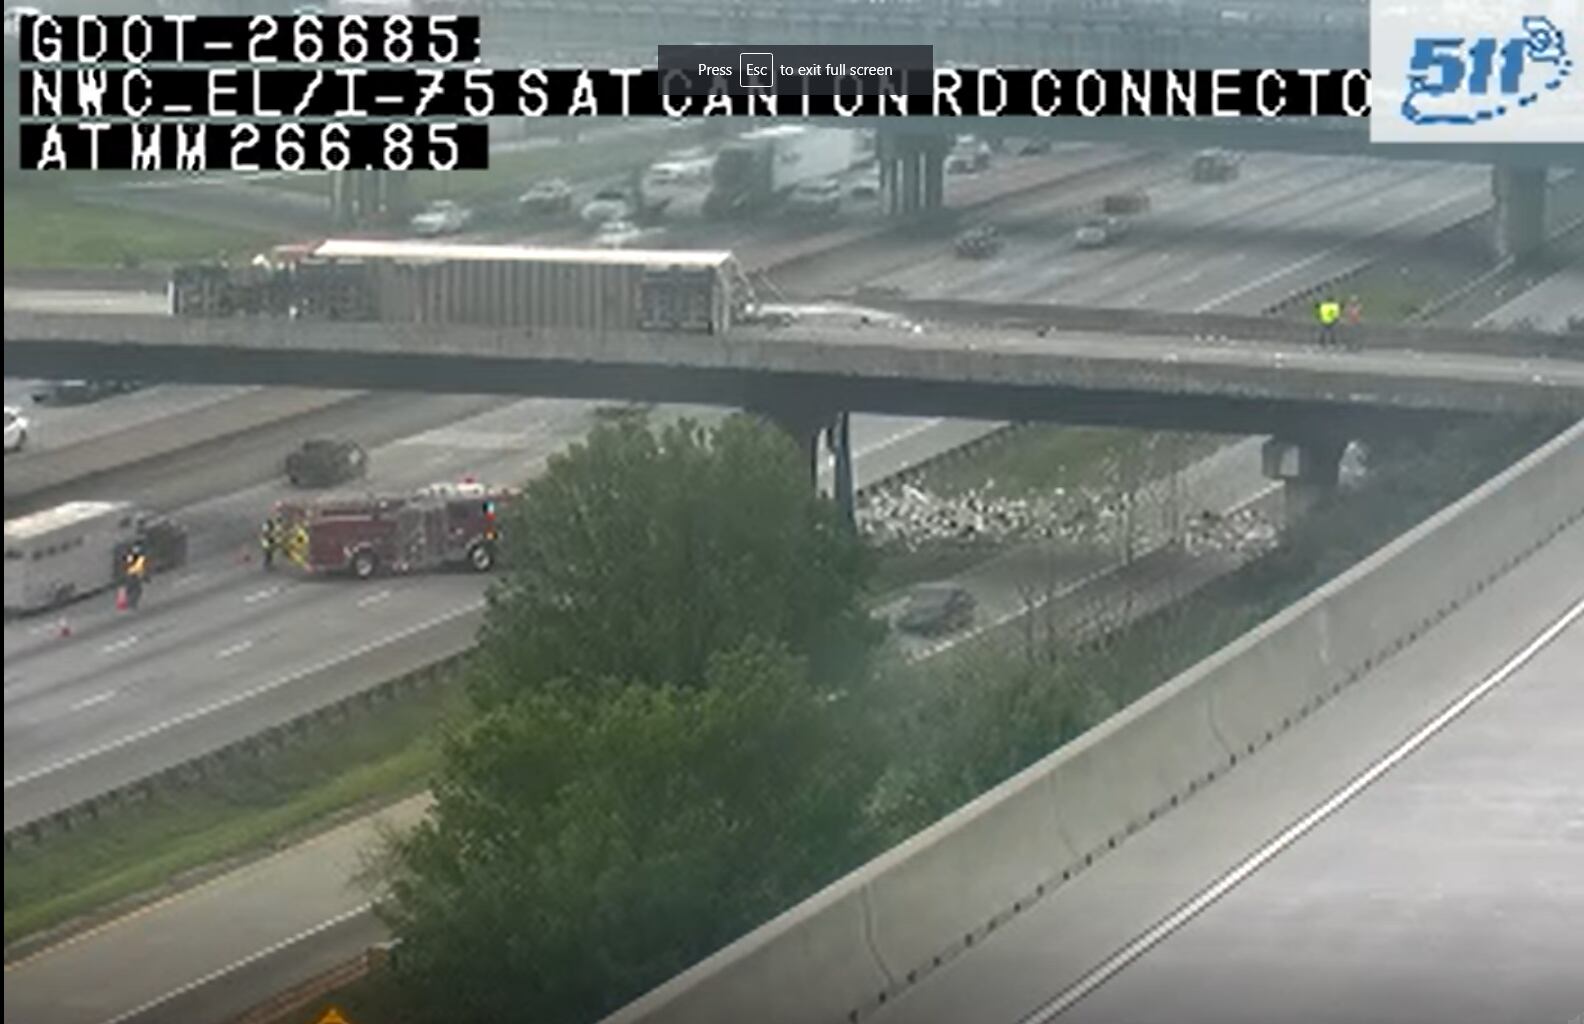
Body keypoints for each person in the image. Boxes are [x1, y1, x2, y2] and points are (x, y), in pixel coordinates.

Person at [122, 543, 148, 610]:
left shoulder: (133, 556)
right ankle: (131, 604)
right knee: (136, 590)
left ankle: (130, 604)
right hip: (132, 575)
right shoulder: (136, 556)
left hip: (131, 575)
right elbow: (137, 568)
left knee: (133, 590)